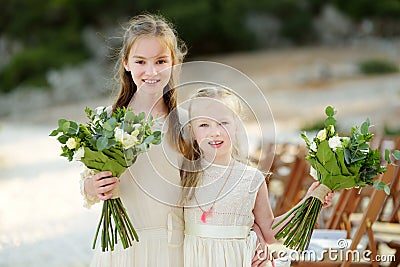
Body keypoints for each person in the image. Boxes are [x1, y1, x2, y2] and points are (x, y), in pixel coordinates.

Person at [179, 87, 334, 267]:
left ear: (237, 125)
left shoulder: (251, 179)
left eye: (223, 123)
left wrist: (308, 201)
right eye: (204, 124)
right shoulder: (183, 174)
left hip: (240, 260)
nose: (215, 132)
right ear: (192, 130)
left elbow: (269, 232)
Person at [81, 13, 187, 266]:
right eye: (141, 62)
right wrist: (93, 187)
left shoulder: (186, 122)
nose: (151, 71)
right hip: (123, 245)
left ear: (174, 62)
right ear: (126, 63)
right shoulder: (106, 120)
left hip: (173, 245)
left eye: (161, 61)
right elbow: (87, 183)